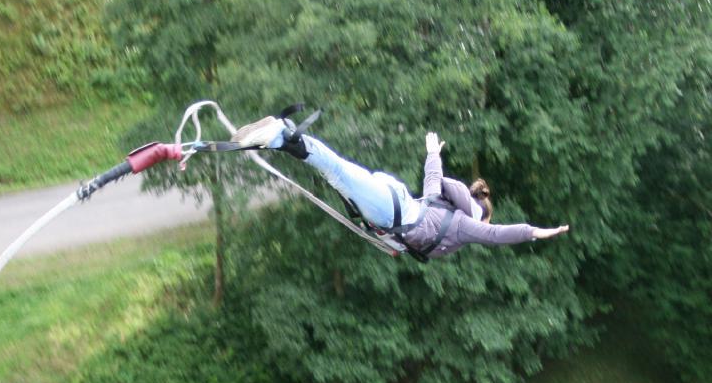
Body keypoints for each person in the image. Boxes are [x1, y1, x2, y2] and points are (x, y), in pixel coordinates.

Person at [232, 115, 569, 260]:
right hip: (392, 210)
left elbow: (432, 184)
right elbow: (497, 236)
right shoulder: (467, 226)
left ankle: (280, 139)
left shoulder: (446, 209)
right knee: (335, 169)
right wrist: (535, 232)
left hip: (392, 197)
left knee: (334, 174)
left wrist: (433, 155)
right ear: (484, 217)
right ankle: (279, 133)